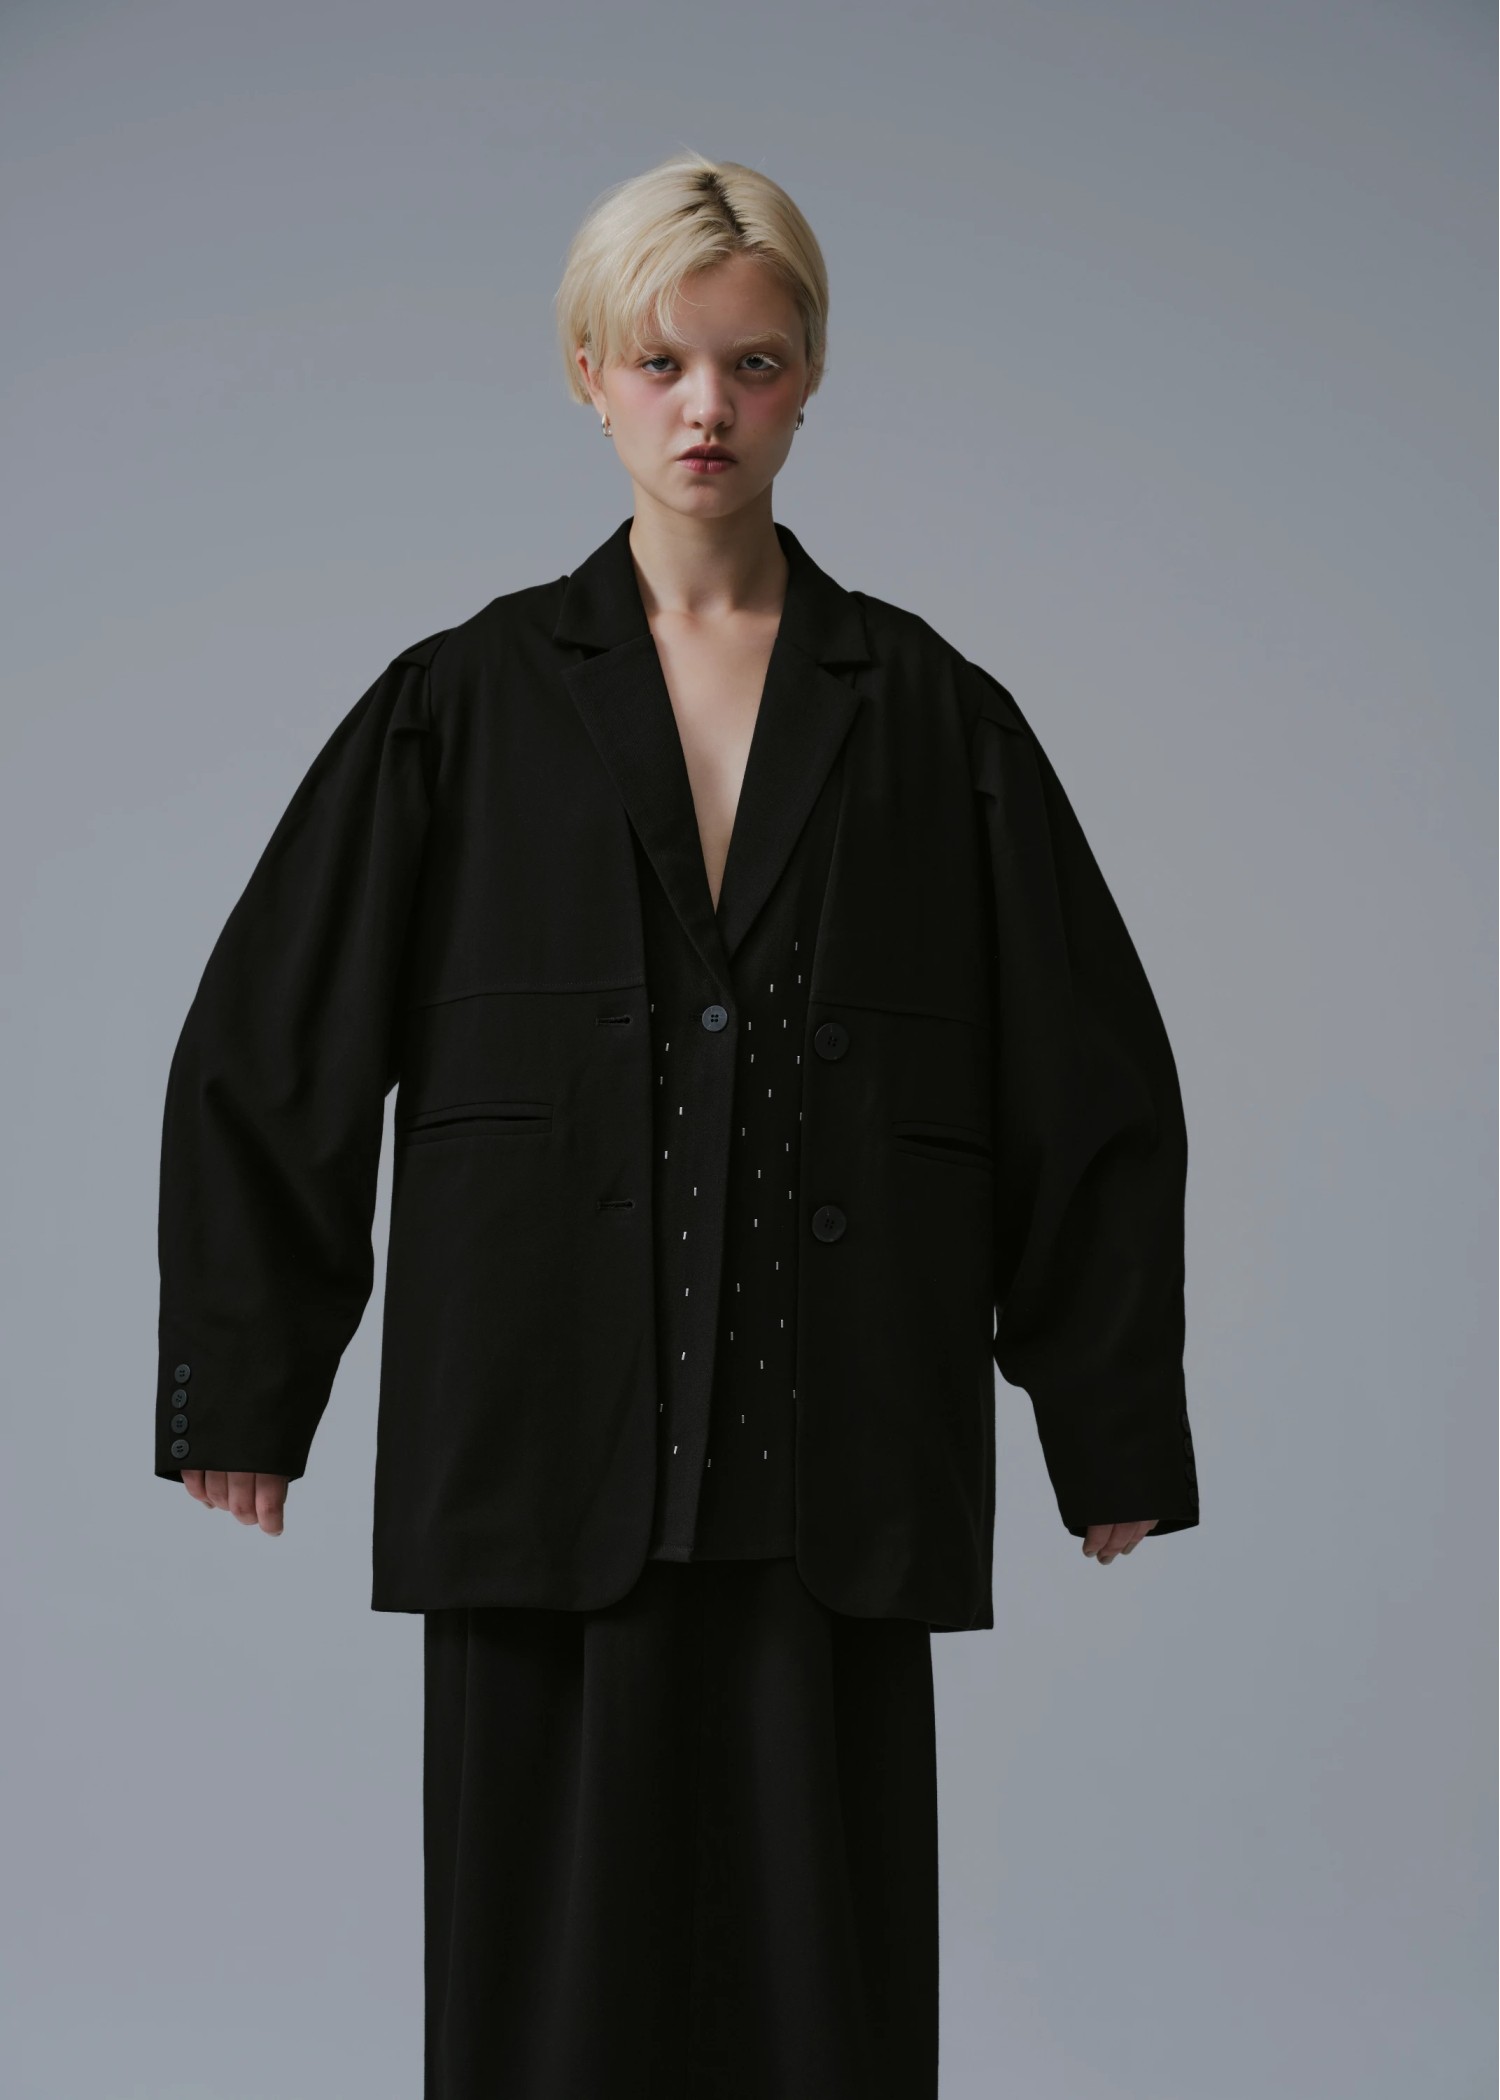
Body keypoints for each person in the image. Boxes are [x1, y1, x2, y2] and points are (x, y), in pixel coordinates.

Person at [155, 150, 1200, 2099]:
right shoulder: (459, 708)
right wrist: (246, 1374)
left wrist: (1108, 1413)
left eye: (753, 361)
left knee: (828, 2017)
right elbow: (269, 1034)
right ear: (588, 375)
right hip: (539, 1459)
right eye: (661, 361)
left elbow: (1087, 1075)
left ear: (810, 382)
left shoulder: (934, 720)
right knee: (544, 2028)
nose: (705, 406)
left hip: (835, 1466)